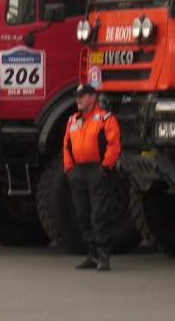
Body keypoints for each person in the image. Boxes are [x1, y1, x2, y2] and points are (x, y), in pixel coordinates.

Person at [63, 84, 122, 271]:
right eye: (77, 96)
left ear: (92, 97)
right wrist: (69, 169)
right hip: (78, 171)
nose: (78, 100)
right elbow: (66, 146)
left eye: (82, 96)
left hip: (97, 170)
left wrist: (105, 167)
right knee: (82, 215)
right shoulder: (72, 120)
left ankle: (104, 256)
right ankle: (92, 255)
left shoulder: (106, 119)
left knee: (99, 215)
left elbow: (114, 144)